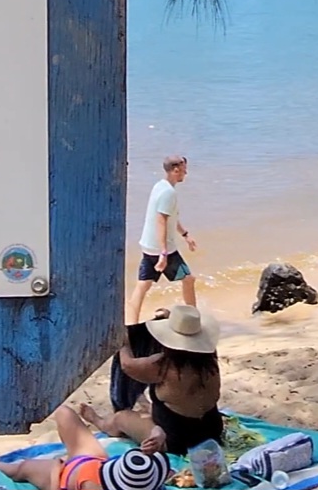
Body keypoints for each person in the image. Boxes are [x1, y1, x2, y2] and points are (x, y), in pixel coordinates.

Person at [81, 306, 224, 455]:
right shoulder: (210, 357)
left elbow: (127, 365)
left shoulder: (164, 366)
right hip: (212, 430)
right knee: (171, 403)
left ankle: (98, 421)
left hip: (177, 440)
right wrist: (172, 319)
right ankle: (146, 406)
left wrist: (124, 342)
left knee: (121, 418)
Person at [0, 406, 168, 490]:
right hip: (95, 462)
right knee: (64, 413)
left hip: (64, 476)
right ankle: (99, 421)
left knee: (22, 469)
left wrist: (57, 470)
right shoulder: (143, 480)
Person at [129, 156, 195, 323]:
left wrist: (185, 235)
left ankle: (131, 325)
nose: (186, 173)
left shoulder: (159, 186)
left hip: (148, 246)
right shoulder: (168, 193)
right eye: (183, 169)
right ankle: (194, 320)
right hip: (162, 250)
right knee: (188, 279)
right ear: (175, 170)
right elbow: (161, 221)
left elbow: (170, 217)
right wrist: (163, 254)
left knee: (142, 286)